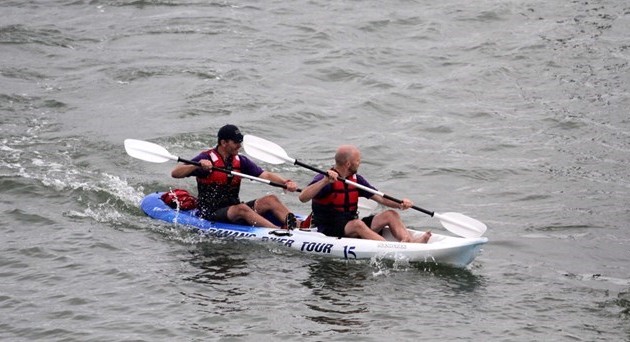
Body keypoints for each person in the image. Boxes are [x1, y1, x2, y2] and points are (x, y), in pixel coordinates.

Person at [171, 124, 299, 229]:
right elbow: (175, 173)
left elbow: (265, 175)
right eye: (236, 142)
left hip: (233, 208)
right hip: (210, 212)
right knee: (242, 209)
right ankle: (278, 232)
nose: (240, 145)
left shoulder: (240, 160)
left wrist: (285, 182)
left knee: (271, 199)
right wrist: (196, 166)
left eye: (240, 141)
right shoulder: (206, 158)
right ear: (224, 142)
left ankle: (299, 227)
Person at [298, 145, 431, 243]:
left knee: (391, 214)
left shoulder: (356, 179)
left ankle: (408, 242)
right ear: (348, 163)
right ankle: (390, 248)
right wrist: (324, 181)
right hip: (330, 229)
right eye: (358, 161)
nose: (360, 163)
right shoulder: (325, 178)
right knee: (358, 224)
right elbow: (302, 197)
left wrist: (401, 204)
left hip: (350, 224)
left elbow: (381, 198)